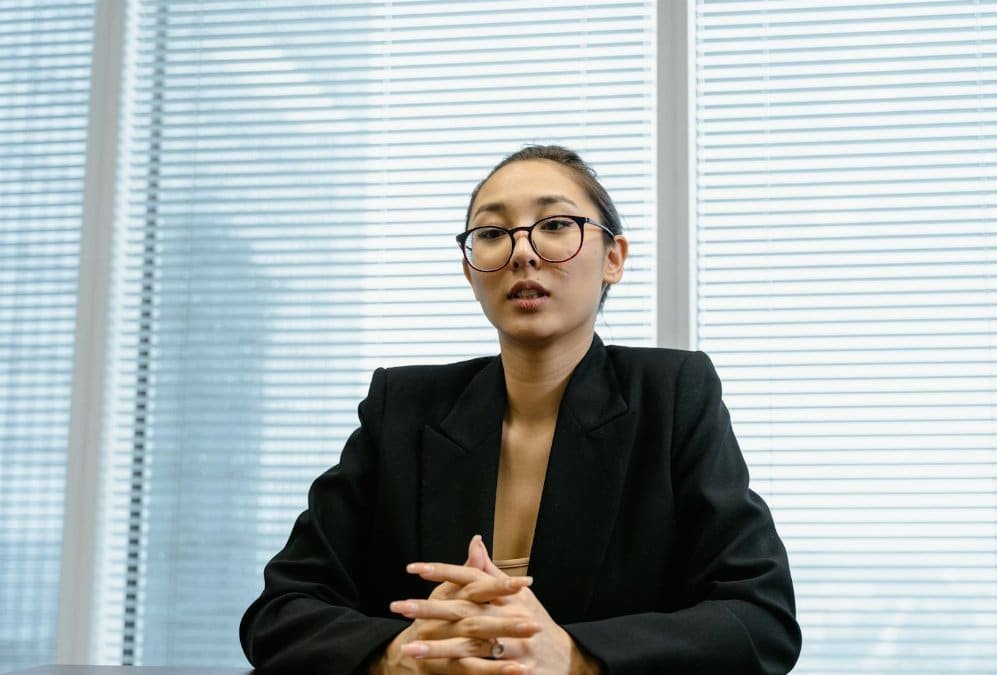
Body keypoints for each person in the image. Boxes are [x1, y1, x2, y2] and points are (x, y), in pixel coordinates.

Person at [239, 145, 801, 675]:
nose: (523, 251)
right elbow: (279, 612)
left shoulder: (674, 393)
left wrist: (575, 656)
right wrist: (397, 655)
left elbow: (761, 620)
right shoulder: (402, 408)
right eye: (491, 232)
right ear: (470, 267)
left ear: (614, 257)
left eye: (556, 225)